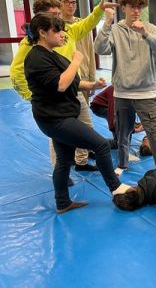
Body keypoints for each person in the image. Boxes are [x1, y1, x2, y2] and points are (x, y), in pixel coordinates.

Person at [24, 13, 131, 214]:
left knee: (64, 160)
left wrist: (93, 85)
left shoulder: (51, 54)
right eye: (57, 30)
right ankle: (115, 188)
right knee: (100, 145)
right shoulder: (36, 58)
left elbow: (71, 80)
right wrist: (77, 60)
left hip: (61, 115)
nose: (62, 34)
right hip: (54, 118)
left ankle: (62, 202)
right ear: (42, 33)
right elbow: (62, 84)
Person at [10, 0, 117, 172]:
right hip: (53, 99)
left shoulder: (65, 32)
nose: (58, 18)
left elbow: (86, 25)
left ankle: (81, 162)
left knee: (86, 128)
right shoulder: (30, 44)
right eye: (53, 14)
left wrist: (99, 10)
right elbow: (16, 72)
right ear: (41, 21)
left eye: (59, 14)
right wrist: (32, 95)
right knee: (58, 138)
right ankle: (61, 172)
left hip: (73, 90)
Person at [94, 0, 156, 175]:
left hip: (147, 92)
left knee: (155, 135)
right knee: (122, 133)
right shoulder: (115, 29)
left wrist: (145, 34)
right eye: (132, 7)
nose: (136, 11)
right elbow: (100, 49)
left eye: (139, 7)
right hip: (122, 92)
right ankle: (122, 164)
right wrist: (107, 23)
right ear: (124, 8)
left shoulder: (150, 28)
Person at [57, 0, 97, 104]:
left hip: (83, 76)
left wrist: (92, 79)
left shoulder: (83, 25)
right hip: (63, 76)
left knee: (83, 114)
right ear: (59, 3)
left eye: (73, 2)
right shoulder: (55, 27)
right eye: (66, 2)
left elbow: (90, 51)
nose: (71, 6)